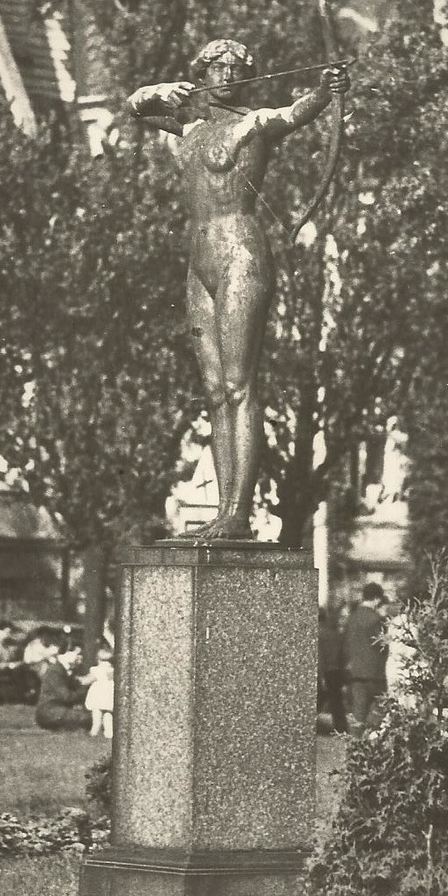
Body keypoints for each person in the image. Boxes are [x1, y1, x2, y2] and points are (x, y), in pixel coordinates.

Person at [126, 38, 350, 539]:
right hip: (199, 263)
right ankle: (224, 510)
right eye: (216, 66)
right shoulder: (190, 125)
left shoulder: (255, 122)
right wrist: (158, 91)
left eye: (235, 67)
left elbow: (297, 112)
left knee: (238, 384)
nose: (226, 74)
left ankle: (237, 512)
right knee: (213, 391)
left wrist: (326, 89)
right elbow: (135, 107)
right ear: (200, 73)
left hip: (240, 255)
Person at [343, 582, 389, 736]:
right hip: (375, 674)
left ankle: (355, 751)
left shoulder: (352, 618)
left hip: (356, 673)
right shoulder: (376, 619)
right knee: (378, 716)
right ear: (376, 599)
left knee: (358, 716)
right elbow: (383, 644)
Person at [35, 635, 93, 731]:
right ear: (66, 653)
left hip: (59, 709)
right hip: (49, 711)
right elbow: (66, 696)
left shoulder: (68, 670)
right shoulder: (54, 671)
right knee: (88, 717)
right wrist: (85, 686)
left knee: (89, 716)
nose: (81, 657)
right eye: (78, 654)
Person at [317, 607, 347, 733]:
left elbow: (319, 657)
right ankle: (341, 728)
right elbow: (343, 654)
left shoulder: (317, 633)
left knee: (318, 700)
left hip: (322, 671)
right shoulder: (334, 633)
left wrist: (321, 675)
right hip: (335, 671)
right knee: (336, 702)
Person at [85, 645, 115, 739]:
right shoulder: (113, 671)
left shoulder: (96, 670)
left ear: (98, 659)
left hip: (98, 696)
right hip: (109, 696)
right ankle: (109, 732)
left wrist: (80, 679)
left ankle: (94, 731)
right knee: (108, 714)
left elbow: (88, 680)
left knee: (97, 714)